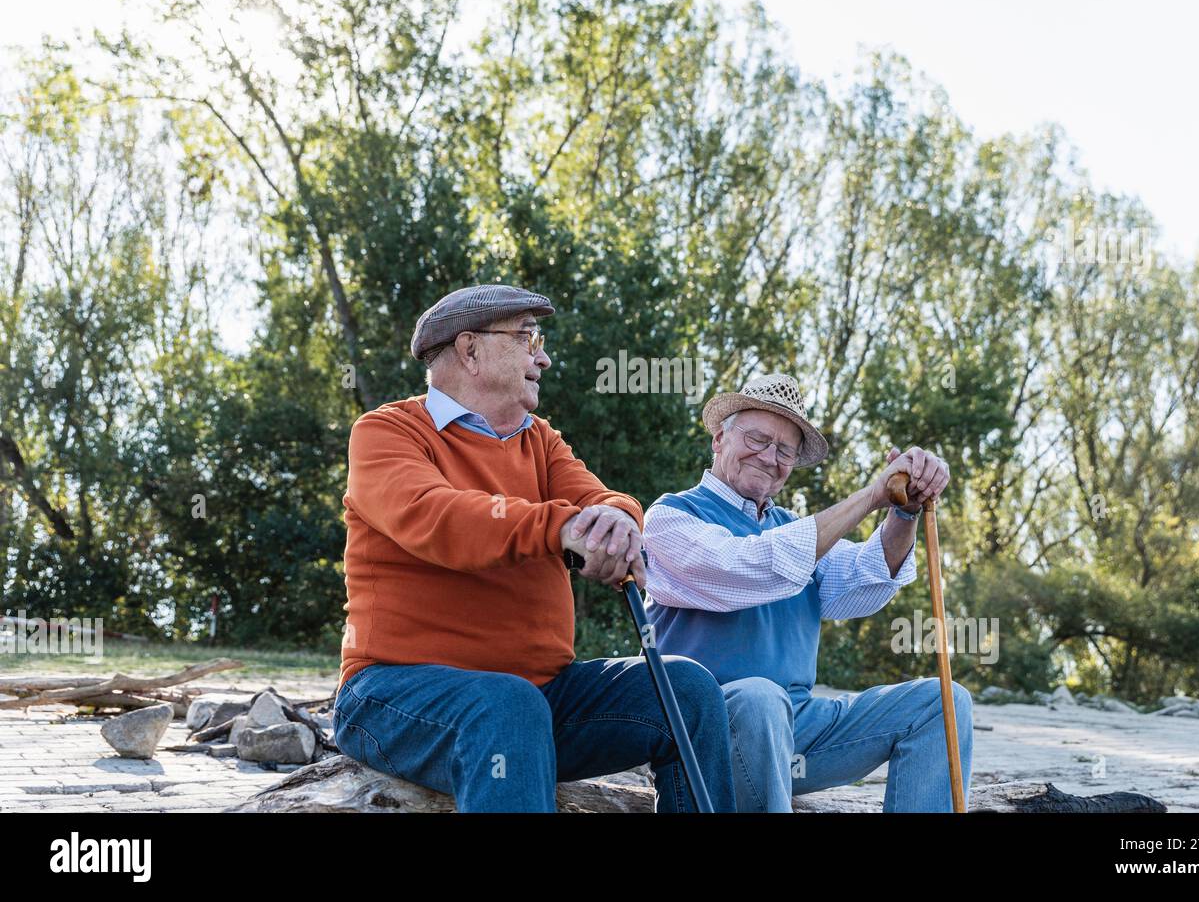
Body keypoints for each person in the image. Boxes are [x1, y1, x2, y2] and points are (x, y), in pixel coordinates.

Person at [332, 283, 736, 812]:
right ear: (470, 349)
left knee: (687, 688)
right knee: (506, 704)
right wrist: (562, 528)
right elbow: (434, 515)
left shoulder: (539, 440)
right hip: (392, 694)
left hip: (537, 698)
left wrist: (617, 522)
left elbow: (602, 499)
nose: (542, 357)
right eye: (527, 338)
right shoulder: (387, 431)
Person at [641, 372, 973, 812]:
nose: (768, 457)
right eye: (758, 439)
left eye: (784, 451)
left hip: (797, 731)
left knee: (941, 702)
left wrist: (903, 512)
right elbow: (745, 568)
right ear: (720, 437)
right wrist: (871, 494)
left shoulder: (796, 531)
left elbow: (868, 578)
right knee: (760, 697)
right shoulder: (672, 516)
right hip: (704, 731)